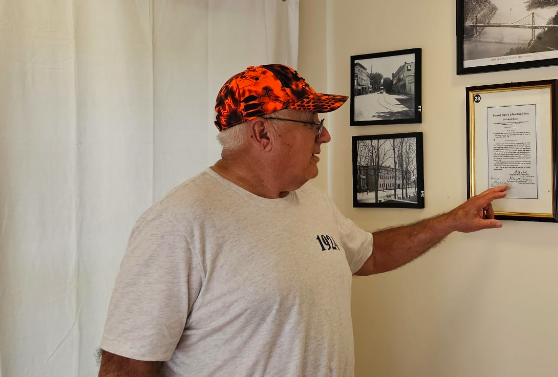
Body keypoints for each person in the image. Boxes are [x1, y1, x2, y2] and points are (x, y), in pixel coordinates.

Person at [97, 64, 508, 377]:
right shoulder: (180, 223)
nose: (325, 137)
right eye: (312, 124)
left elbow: (370, 255)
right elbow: (126, 365)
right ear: (262, 134)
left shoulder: (309, 199)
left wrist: (451, 221)